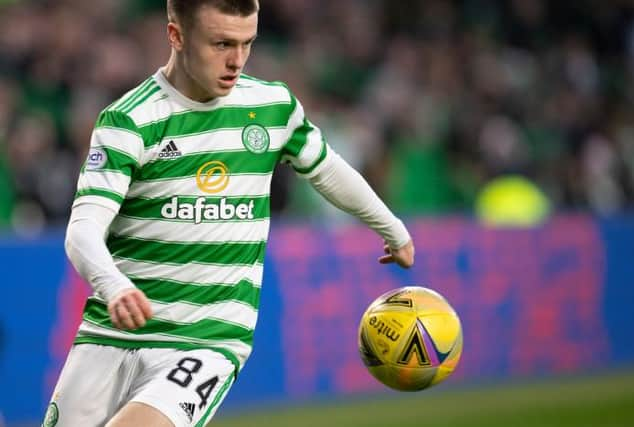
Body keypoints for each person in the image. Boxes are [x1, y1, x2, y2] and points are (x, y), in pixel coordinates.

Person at [44, 1, 414, 426]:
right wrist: (113, 286)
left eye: (247, 43)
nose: (236, 60)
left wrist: (392, 228)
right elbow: (83, 230)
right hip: (109, 335)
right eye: (221, 43)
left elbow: (326, 168)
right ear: (176, 36)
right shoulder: (130, 120)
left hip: (207, 339)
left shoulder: (272, 108)